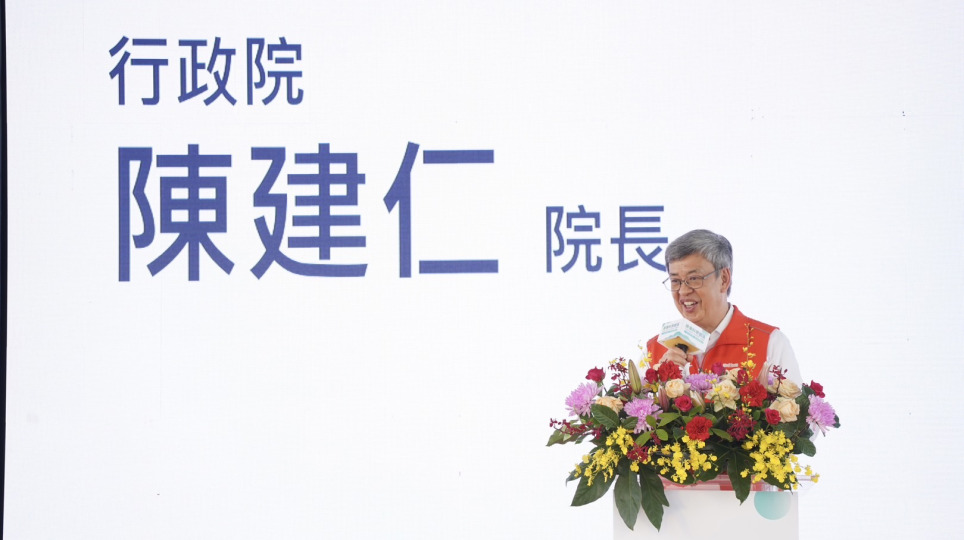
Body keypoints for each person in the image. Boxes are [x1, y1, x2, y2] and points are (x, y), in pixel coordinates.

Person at [645, 229, 802, 384]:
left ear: (724, 279)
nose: (683, 291)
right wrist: (660, 383)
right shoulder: (653, 350)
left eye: (694, 279)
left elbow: (793, 400)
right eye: (675, 281)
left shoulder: (770, 343)